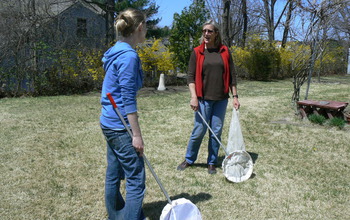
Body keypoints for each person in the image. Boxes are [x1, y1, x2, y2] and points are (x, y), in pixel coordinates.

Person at [100, 8, 147, 220]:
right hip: (119, 126)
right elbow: (128, 99)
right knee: (136, 177)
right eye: (145, 26)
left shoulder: (116, 50)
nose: (146, 30)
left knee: (114, 172)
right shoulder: (128, 56)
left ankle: (117, 215)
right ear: (139, 27)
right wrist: (136, 135)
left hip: (108, 122)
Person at [177, 19, 240, 174]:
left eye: (210, 31)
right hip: (202, 99)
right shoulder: (197, 52)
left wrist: (235, 96)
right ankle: (189, 159)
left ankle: (212, 162)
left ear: (216, 33)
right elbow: (190, 77)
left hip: (221, 99)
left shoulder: (224, 51)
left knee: (216, 131)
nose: (206, 33)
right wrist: (193, 97)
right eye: (204, 30)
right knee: (199, 130)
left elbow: (232, 76)